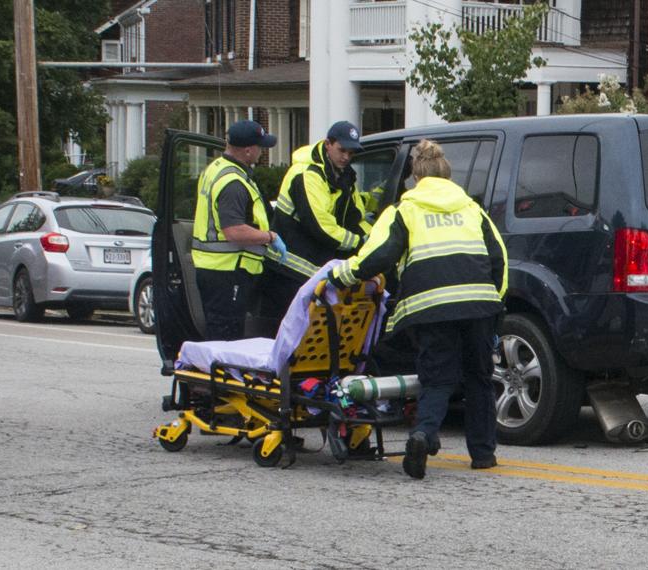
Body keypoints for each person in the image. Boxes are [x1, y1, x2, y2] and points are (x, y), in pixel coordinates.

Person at [327, 140, 508, 480]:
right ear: (447, 175)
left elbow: (377, 256)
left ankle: (423, 434)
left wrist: (341, 275)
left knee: (437, 380)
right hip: (479, 306)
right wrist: (496, 307)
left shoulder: (404, 210)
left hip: (431, 309)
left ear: (414, 177)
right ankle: (483, 454)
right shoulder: (471, 209)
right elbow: (500, 259)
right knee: (479, 379)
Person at [259, 121, 373, 331]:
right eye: (342, 150)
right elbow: (321, 225)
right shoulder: (307, 174)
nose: (346, 157)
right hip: (289, 270)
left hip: (313, 271)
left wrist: (374, 238)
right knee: (288, 338)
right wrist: (359, 242)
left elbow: (353, 215)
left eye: (351, 153)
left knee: (310, 338)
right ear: (328, 144)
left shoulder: (342, 173)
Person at [191, 119, 286, 341]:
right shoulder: (233, 182)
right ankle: (220, 374)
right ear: (247, 150)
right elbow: (234, 231)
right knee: (226, 336)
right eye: (260, 147)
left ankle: (218, 372)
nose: (262, 152)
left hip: (215, 270)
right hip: (227, 271)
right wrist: (270, 237)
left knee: (220, 332)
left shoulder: (216, 169)